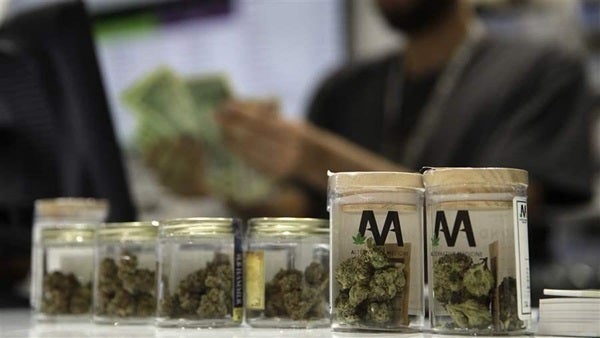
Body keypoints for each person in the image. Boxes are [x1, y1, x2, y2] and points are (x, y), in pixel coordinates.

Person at [215, 0, 597, 304]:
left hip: (481, 311)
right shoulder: (342, 89)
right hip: (358, 311)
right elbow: (303, 214)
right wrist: (221, 182)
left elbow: (494, 218)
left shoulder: (541, 71)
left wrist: (319, 158)